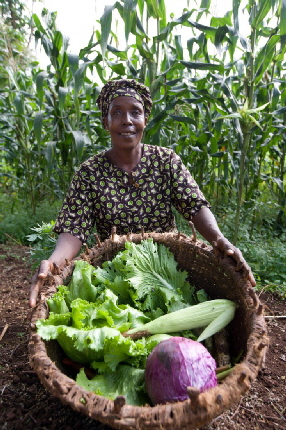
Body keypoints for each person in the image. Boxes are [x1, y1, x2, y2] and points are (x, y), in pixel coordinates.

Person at [29, 79, 255, 307]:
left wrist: (219, 238)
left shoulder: (165, 161)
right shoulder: (90, 173)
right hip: (114, 274)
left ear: (145, 120)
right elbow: (73, 231)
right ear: (105, 122)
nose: (127, 121)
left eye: (135, 112)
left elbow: (194, 206)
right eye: (116, 112)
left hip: (166, 271)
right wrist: (53, 263)